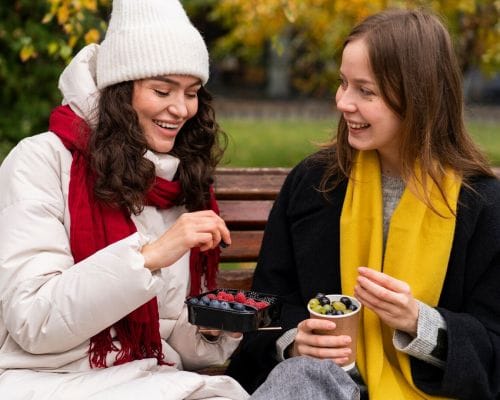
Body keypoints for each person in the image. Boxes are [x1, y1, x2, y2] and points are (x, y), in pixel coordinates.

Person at [226, 8, 500, 400]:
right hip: (323, 385)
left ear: (419, 97)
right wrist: (292, 342)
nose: (343, 102)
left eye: (365, 91)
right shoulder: (314, 184)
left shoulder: (482, 206)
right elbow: (267, 304)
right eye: (343, 83)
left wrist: (419, 323)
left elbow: (494, 346)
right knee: (302, 378)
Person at [0, 0, 250, 399]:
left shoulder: (178, 177)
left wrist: (212, 327)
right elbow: (34, 321)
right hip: (48, 379)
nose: (181, 108)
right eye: (162, 90)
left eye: (191, 92)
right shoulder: (40, 161)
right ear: (119, 91)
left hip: (149, 377)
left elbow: (161, 335)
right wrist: (148, 256)